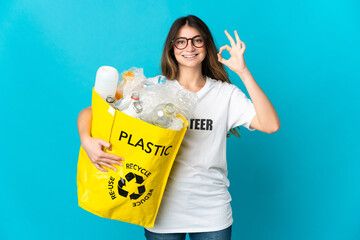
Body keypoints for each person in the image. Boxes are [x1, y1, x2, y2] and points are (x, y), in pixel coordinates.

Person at [77, 15, 280, 240]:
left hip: (211, 211)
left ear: (207, 46)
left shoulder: (225, 94)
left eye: (197, 40)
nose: (189, 47)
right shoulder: (152, 89)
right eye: (181, 41)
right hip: (159, 209)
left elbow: (270, 125)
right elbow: (92, 111)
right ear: (172, 48)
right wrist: (87, 141)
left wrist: (243, 71)